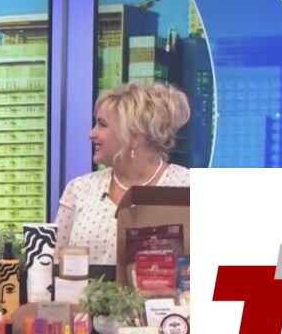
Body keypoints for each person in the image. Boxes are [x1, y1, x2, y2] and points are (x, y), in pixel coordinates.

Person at [54, 82, 191, 264]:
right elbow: (52, 264)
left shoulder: (187, 185)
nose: (91, 134)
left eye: (102, 125)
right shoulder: (79, 189)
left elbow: (225, 271)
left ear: (134, 136)